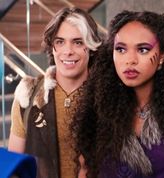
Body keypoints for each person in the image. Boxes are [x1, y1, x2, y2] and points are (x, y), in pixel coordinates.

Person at [71, 10, 164, 178]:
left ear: (162, 55)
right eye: (121, 49)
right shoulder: (95, 114)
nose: (130, 60)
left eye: (143, 49)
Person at [7, 7, 102, 178]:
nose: (68, 51)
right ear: (52, 47)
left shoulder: (109, 97)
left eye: (78, 42)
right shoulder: (28, 96)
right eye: (60, 42)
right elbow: (15, 168)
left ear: (91, 46)